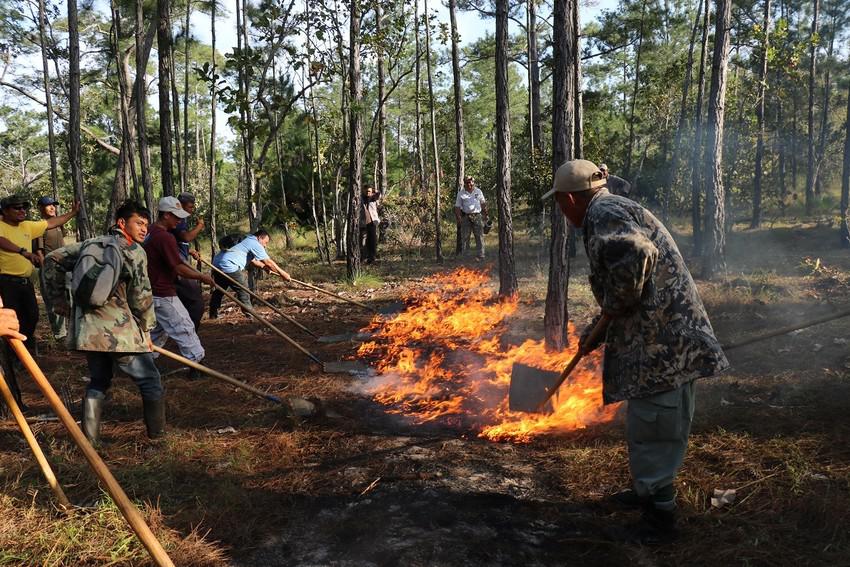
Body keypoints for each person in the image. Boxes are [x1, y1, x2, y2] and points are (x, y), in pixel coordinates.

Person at [543, 159, 728, 543]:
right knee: (652, 420)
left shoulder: (605, 211)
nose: (561, 210)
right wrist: (603, 322)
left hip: (664, 341)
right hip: (658, 336)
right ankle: (648, 491)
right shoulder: (610, 209)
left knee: (657, 423)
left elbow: (637, 255)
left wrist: (614, 304)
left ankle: (660, 519)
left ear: (573, 198)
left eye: (560, 202)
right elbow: (627, 275)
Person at [42, 200, 165, 444]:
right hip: (120, 334)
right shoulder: (134, 251)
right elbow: (141, 295)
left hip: (88, 332)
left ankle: (91, 440)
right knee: (150, 380)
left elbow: (52, 259)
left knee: (99, 380)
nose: (144, 229)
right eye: (138, 223)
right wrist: (147, 330)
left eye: (146, 225)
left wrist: (59, 301)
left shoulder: (90, 243)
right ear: (122, 223)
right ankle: (158, 438)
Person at [0, 194, 79, 411]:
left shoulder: (28, 225)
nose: (21, 211)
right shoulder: (1, 226)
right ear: (5, 211)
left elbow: (52, 222)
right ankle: (13, 356)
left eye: (23, 207)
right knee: (11, 322)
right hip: (6, 282)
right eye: (16, 208)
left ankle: (20, 352)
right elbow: (2, 241)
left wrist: (72, 213)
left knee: (32, 317)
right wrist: (24, 252)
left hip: (25, 283)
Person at [143, 196, 213, 364]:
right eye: (176, 216)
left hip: (151, 291)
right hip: (162, 292)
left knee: (159, 330)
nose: (179, 220)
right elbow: (178, 267)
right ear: (166, 215)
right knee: (184, 326)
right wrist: (201, 276)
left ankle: (143, 363)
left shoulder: (151, 231)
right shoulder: (164, 237)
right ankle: (197, 363)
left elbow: (177, 261)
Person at [209, 229, 290, 319]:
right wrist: (283, 274)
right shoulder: (254, 242)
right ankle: (250, 315)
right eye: (265, 242)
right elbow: (268, 262)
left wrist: (264, 267)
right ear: (260, 238)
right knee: (244, 289)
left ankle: (213, 314)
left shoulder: (246, 240)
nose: (265, 245)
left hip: (217, 264)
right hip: (229, 265)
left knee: (220, 289)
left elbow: (253, 261)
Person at [32, 196, 70, 340]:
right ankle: (60, 335)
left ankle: (70, 332)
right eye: (48, 205)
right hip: (49, 268)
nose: (53, 207)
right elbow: (39, 252)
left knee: (69, 298)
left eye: (54, 205)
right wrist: (46, 271)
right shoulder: (40, 226)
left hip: (64, 267)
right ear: (41, 208)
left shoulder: (58, 224)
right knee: (53, 302)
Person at [171, 192, 205, 329]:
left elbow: (178, 240)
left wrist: (189, 251)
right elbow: (185, 237)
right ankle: (190, 333)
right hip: (178, 264)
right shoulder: (178, 218)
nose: (192, 210)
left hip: (180, 259)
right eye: (190, 207)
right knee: (195, 301)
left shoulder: (181, 219)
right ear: (181, 205)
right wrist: (199, 226)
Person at [453, 176, 488, 260]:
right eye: (467, 182)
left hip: (477, 215)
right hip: (466, 216)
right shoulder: (461, 193)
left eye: (471, 182)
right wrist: (458, 218)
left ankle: (481, 255)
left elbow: (483, 203)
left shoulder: (478, 191)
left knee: (479, 236)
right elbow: (457, 207)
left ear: (473, 182)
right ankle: (466, 255)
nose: (469, 184)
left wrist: (486, 214)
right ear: (464, 183)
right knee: (465, 237)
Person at [360, 185, 381, 264]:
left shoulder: (373, 198)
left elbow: (379, 193)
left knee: (372, 240)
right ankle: (362, 258)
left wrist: (374, 190)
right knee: (363, 241)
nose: (368, 193)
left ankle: (372, 258)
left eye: (369, 191)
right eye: (366, 191)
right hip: (362, 223)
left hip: (372, 222)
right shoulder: (360, 198)